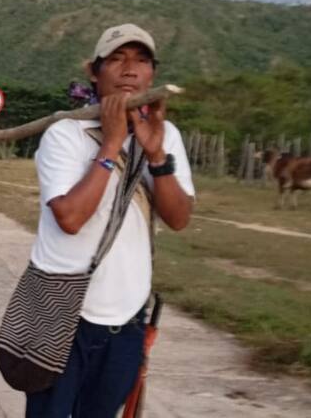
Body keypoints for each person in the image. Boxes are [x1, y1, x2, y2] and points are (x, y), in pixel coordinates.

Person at [26, 24, 194, 417]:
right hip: (60, 312)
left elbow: (179, 218)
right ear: (94, 71)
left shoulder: (165, 135)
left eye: (141, 60)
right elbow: (70, 218)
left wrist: (155, 156)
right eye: (117, 59)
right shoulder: (65, 134)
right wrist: (112, 143)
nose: (130, 70)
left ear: (153, 73)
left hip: (128, 318)